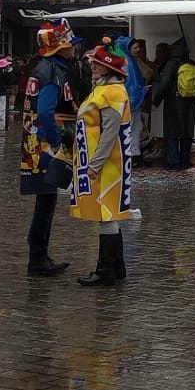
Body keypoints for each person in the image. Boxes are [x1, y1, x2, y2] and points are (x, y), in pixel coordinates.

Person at [21, 20, 84, 277]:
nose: (75, 50)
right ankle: (37, 258)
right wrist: (58, 142)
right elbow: (46, 111)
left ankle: (40, 255)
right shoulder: (51, 72)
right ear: (60, 49)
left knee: (45, 203)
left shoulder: (48, 68)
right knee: (45, 204)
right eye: (71, 46)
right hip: (45, 147)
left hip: (40, 144)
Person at [73, 44, 135, 287]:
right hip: (106, 162)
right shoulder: (107, 90)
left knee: (106, 214)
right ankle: (116, 267)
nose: (92, 67)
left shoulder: (112, 93)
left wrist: (95, 164)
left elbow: (110, 132)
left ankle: (106, 269)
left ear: (108, 68)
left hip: (108, 164)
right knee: (108, 214)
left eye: (97, 64)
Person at [148, 37, 195, 169]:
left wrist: (155, 101)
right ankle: (184, 161)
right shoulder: (194, 65)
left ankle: (174, 162)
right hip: (190, 102)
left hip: (173, 102)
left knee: (172, 132)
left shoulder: (172, 63)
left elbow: (164, 83)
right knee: (186, 133)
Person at [126, 40, 156, 165]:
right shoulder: (128, 63)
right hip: (132, 102)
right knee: (132, 127)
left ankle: (135, 154)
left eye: (139, 47)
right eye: (136, 47)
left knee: (136, 127)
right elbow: (131, 83)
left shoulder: (132, 61)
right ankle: (131, 154)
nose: (138, 50)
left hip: (135, 101)